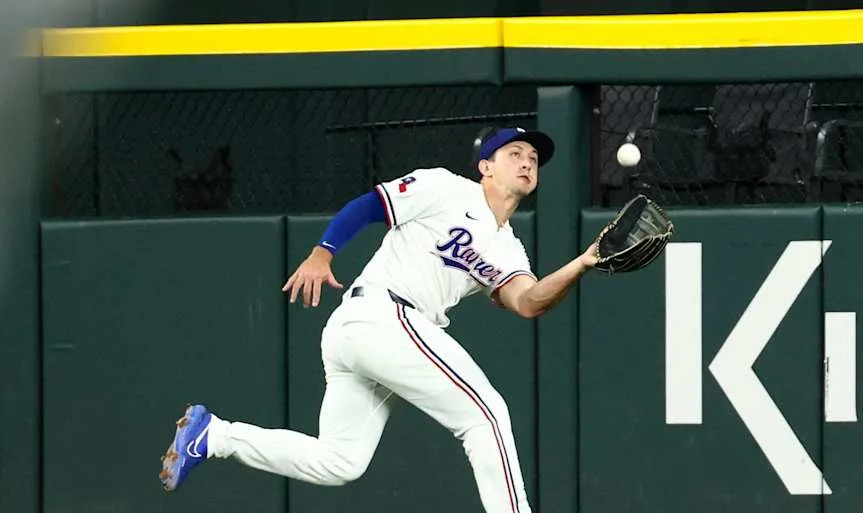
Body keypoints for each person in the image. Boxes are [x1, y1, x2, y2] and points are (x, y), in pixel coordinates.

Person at [159, 126, 600, 513]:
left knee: (340, 461)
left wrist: (583, 262)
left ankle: (215, 436)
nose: (526, 163)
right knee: (486, 416)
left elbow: (528, 301)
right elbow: (370, 205)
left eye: (533, 158)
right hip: (381, 316)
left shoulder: (508, 248)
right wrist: (322, 253)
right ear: (485, 166)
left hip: (374, 333)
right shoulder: (447, 188)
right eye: (514, 154)